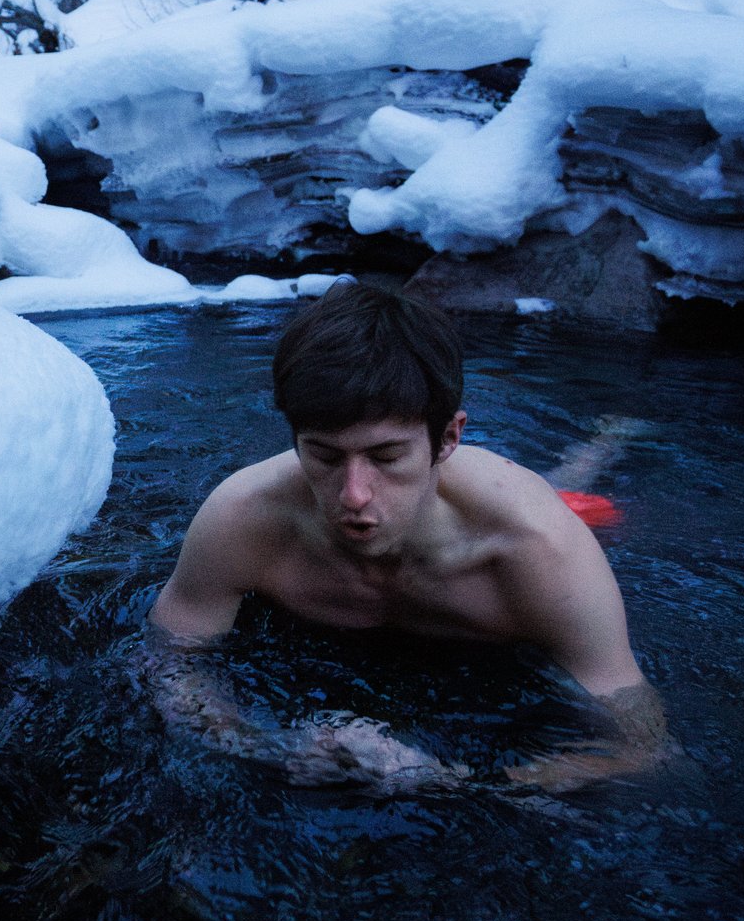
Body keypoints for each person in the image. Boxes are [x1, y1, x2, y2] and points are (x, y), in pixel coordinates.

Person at [144, 280, 668, 791]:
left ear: (448, 438)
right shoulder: (244, 517)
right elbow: (170, 662)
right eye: (324, 455)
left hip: (507, 506)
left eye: (386, 457)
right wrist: (268, 748)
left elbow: (641, 748)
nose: (354, 495)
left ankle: (608, 439)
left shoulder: (539, 552)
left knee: (567, 491)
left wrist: (450, 782)